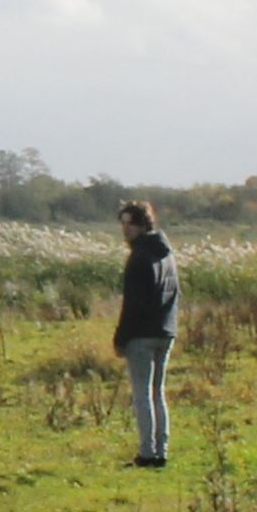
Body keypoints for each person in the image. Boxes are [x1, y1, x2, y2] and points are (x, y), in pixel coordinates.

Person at [112, 201, 179, 469]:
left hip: (142, 335)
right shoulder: (166, 253)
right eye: (123, 224)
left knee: (142, 394)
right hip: (166, 330)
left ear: (143, 225)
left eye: (130, 224)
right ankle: (160, 450)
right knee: (157, 392)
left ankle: (147, 453)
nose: (125, 230)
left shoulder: (138, 257)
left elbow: (133, 304)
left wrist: (120, 338)